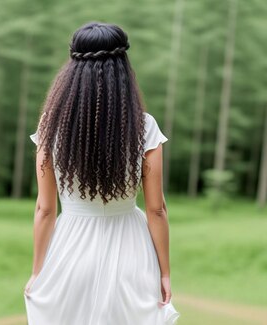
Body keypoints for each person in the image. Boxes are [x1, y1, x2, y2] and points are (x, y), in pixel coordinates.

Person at [23, 22, 180, 325]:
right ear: (123, 67)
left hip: (70, 249)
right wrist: (165, 272)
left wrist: (38, 270)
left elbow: (45, 209)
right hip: (131, 250)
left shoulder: (51, 126)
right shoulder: (144, 127)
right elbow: (156, 209)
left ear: (71, 68)